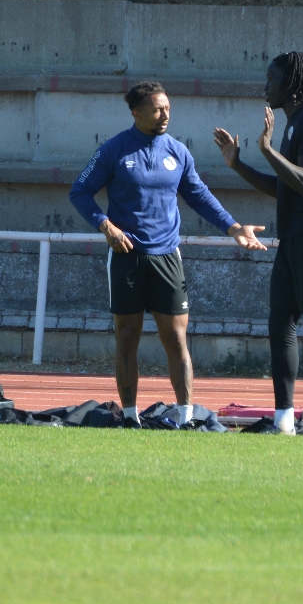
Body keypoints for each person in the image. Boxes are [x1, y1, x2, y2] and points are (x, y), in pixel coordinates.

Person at [70, 80, 267, 426]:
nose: (165, 115)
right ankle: (130, 417)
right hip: (127, 256)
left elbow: (200, 196)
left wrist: (234, 228)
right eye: (157, 109)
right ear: (136, 112)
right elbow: (80, 192)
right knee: (127, 337)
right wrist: (106, 226)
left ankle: (187, 416)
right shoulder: (113, 150)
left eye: (168, 108)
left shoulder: (178, 151)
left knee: (176, 338)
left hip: (167, 258)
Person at [212, 52, 303, 437]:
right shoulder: (292, 124)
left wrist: (268, 151)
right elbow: (282, 188)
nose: (264, 86)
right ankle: (284, 420)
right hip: (292, 234)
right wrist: (237, 163)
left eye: (270, 78)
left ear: (290, 82)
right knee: (280, 322)